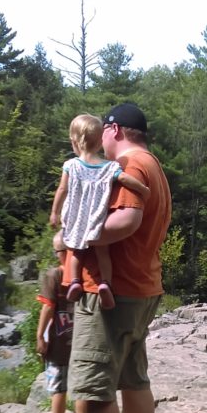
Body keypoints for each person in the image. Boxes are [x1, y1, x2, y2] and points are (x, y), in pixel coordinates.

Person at [42, 103, 171, 413]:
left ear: (113, 129)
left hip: (110, 295)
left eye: (103, 130)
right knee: (133, 381)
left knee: (96, 390)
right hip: (141, 287)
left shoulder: (130, 164)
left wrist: (72, 238)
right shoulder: (152, 165)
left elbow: (128, 220)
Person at [49, 113, 151, 311]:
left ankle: (75, 281)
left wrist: (54, 213)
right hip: (97, 217)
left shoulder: (71, 165)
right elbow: (124, 179)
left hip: (75, 218)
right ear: (100, 142)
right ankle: (106, 283)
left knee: (77, 251)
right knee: (102, 251)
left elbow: (62, 190)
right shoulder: (109, 167)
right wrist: (143, 190)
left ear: (74, 142)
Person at [37, 231, 88, 413]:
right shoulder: (87, 276)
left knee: (58, 390)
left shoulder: (54, 276)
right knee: (81, 390)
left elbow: (48, 307)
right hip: (83, 343)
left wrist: (39, 336)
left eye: (58, 251)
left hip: (57, 343)